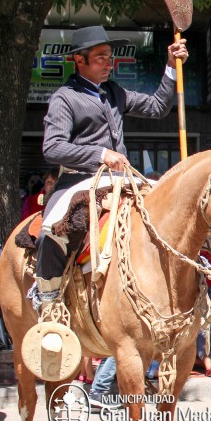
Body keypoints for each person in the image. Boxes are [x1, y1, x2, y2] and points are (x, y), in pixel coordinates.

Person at [32, 25, 187, 307]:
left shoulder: (114, 92)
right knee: (52, 232)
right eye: (101, 56)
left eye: (110, 56)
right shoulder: (64, 98)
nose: (109, 62)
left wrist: (170, 66)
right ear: (80, 59)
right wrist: (100, 154)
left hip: (120, 180)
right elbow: (52, 147)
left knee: (177, 205)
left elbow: (157, 107)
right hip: (79, 181)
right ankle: (47, 298)